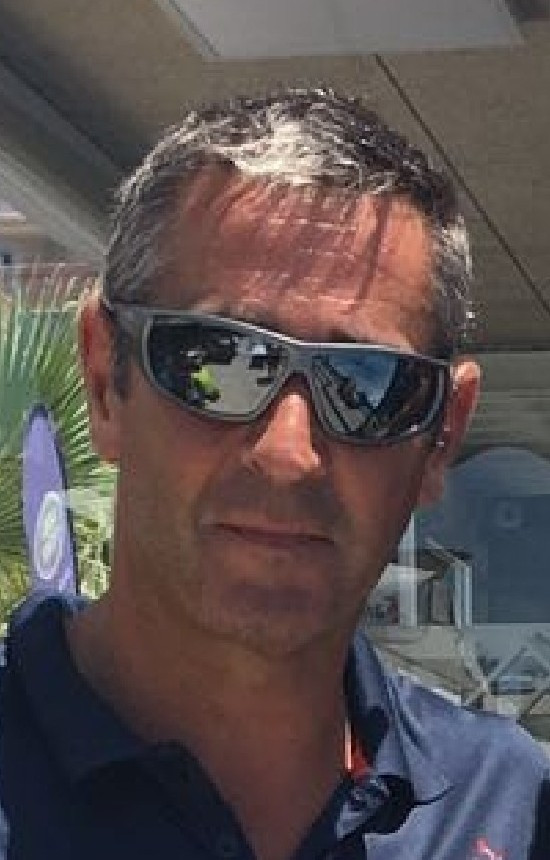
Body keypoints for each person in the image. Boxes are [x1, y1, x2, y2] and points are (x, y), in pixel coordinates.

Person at [0, 89, 548, 859]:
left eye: (366, 384)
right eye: (216, 361)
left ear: (441, 437)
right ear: (102, 380)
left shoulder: (508, 805)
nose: (289, 452)